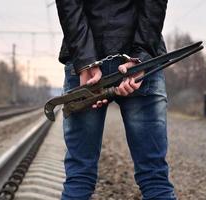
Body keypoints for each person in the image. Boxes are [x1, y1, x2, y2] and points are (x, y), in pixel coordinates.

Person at [55, 0, 176, 199]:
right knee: (155, 177)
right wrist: (142, 55)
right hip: (139, 60)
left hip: (85, 61)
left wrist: (86, 61)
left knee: (79, 175)